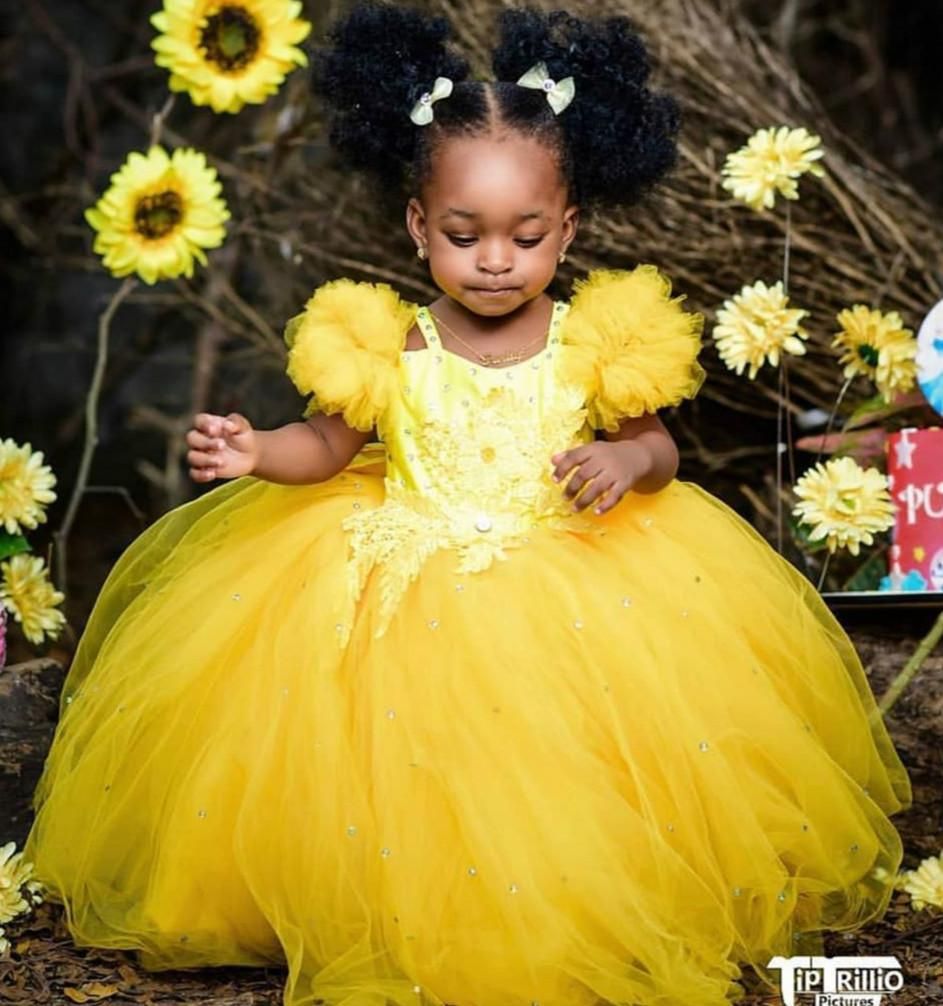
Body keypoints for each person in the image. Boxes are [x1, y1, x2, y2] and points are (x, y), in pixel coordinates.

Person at [24, 3, 912, 1005]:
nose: (495, 259)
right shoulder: (386, 341)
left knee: (562, 767)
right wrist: (255, 449)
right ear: (416, 226)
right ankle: (357, 902)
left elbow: (656, 443)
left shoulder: (598, 340)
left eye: (525, 236)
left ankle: (574, 896)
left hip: (573, 580)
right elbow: (327, 444)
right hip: (402, 578)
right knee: (388, 767)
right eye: (464, 234)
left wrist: (628, 469)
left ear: (567, 228)